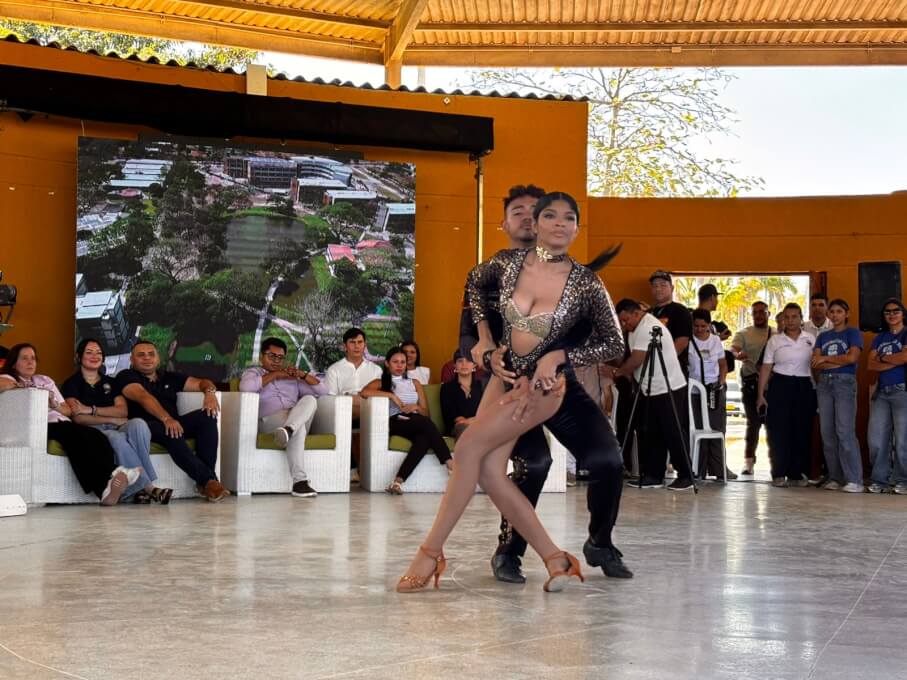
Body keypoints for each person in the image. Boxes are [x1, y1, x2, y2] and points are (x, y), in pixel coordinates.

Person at [396, 191, 630, 594]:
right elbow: (473, 285)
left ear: (576, 228)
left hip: (543, 386)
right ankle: (556, 559)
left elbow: (614, 345)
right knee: (487, 469)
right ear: (534, 224)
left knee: (469, 450)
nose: (560, 223)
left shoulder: (586, 282)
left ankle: (431, 551)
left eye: (569, 218)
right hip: (505, 379)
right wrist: (486, 341)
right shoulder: (506, 265)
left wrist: (559, 356)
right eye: (550, 216)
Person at [0, 343, 140, 505]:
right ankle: (110, 478)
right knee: (73, 436)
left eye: (33, 358)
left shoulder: (44, 380)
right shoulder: (8, 378)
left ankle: (108, 486)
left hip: (62, 421)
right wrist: (20, 386)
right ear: (13, 363)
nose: (30, 362)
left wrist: (55, 405)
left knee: (96, 436)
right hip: (40, 426)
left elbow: (67, 411)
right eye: (24, 359)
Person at [61, 338, 173, 504]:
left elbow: (123, 411)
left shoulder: (111, 382)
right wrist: (113, 418)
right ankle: (150, 488)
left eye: (98, 353)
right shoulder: (72, 384)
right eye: (89, 352)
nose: (95, 356)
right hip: (94, 430)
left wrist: (91, 409)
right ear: (79, 357)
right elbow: (78, 417)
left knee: (138, 424)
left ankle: (139, 489)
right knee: (116, 437)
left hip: (116, 424)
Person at [117, 340, 229, 502]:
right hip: (145, 426)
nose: (147, 358)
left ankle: (207, 482)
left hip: (172, 422)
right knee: (171, 431)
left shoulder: (169, 377)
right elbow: (143, 397)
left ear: (158, 359)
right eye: (140, 355)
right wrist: (167, 419)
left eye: (151, 354)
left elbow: (202, 382)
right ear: (132, 360)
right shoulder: (126, 376)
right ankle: (209, 481)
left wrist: (210, 393)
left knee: (207, 417)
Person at [613, 299, 692, 491]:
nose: (624, 325)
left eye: (626, 320)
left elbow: (637, 359)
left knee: (673, 432)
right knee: (651, 432)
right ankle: (653, 475)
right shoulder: (634, 330)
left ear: (636, 314)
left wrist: (618, 373)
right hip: (649, 388)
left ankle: (686, 475)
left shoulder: (649, 327)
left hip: (668, 387)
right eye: (621, 322)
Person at [240, 337, 328, 498]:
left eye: (280, 358)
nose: (276, 361)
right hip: (269, 421)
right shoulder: (254, 373)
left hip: (292, 418)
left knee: (310, 400)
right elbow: (245, 387)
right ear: (261, 356)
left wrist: (302, 374)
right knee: (298, 429)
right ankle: (300, 482)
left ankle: (289, 430)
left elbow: (322, 391)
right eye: (272, 356)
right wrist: (275, 375)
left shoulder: (291, 377)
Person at [361, 346, 452, 494]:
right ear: (387, 364)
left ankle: (397, 482)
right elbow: (364, 392)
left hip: (415, 421)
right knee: (425, 425)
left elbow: (426, 414)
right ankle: (450, 463)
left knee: (423, 439)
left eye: (402, 362)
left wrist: (415, 407)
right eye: (395, 362)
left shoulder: (414, 383)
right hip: (395, 421)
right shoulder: (381, 382)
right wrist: (391, 396)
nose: (399, 365)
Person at [757, 303, 817, 487]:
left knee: (802, 429)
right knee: (778, 430)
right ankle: (779, 473)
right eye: (787, 317)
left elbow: (817, 365)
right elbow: (766, 367)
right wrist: (761, 394)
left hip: (804, 385)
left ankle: (797, 474)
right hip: (780, 385)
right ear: (783, 319)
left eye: (794, 317)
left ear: (801, 318)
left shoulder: (810, 339)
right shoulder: (775, 341)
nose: (790, 321)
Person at [811, 299, 864, 493]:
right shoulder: (823, 336)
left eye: (839, 311)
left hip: (844, 383)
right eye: (832, 311)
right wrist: (833, 361)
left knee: (844, 431)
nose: (834, 315)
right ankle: (835, 477)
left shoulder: (853, 333)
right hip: (825, 384)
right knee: (827, 433)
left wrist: (826, 358)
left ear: (846, 314)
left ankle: (854, 479)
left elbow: (852, 358)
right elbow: (815, 362)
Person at [866, 298, 907, 494]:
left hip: (902, 390)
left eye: (895, 311)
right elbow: (870, 364)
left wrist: (882, 358)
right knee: (876, 438)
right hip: (882, 392)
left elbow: (906, 357)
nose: (892, 314)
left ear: (903, 313)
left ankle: (902, 480)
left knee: (902, 439)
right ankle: (880, 480)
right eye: (887, 312)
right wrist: (893, 360)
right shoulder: (880, 338)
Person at [688, 309, 734, 480]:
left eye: (703, 326)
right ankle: (698, 470)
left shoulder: (715, 341)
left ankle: (718, 469)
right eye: (696, 326)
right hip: (694, 392)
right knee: (698, 429)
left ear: (709, 325)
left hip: (714, 390)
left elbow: (723, 364)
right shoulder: (689, 341)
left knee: (716, 429)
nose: (699, 329)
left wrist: (721, 382)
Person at [731, 301, 773, 476]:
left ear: (768, 313)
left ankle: (776, 465)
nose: (758, 315)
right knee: (753, 424)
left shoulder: (777, 333)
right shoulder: (744, 333)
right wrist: (738, 355)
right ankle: (749, 462)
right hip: (750, 383)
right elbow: (732, 350)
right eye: (755, 312)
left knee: (773, 425)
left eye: (762, 312)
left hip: (772, 384)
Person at [324, 328, 382, 421]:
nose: (357, 346)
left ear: (365, 345)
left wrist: (350, 397)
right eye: (352, 342)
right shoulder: (334, 370)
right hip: (343, 413)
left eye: (360, 342)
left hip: (371, 413)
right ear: (345, 346)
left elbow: (380, 398)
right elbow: (330, 400)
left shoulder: (376, 370)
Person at [648, 270, 693, 373]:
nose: (658, 289)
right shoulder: (647, 314)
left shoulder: (681, 311)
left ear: (672, 288)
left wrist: (659, 364)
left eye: (663, 285)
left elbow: (681, 343)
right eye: (654, 286)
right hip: (649, 372)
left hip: (673, 372)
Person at [440, 349, 484, 439]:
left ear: (474, 365)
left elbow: (488, 412)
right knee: (464, 428)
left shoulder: (482, 387)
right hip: (458, 428)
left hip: (481, 425)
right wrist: (475, 421)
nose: (464, 364)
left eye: (468, 360)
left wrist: (475, 421)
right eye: (460, 361)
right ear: (455, 365)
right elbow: (458, 420)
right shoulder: (447, 388)